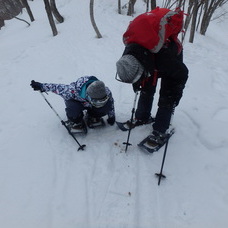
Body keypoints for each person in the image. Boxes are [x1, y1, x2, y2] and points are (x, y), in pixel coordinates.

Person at [116, 7, 188, 148]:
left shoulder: (165, 60)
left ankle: (160, 129)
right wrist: (137, 82)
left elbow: (182, 74)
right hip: (149, 52)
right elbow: (133, 70)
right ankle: (142, 117)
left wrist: (176, 94)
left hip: (169, 52)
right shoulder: (129, 51)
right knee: (145, 86)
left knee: (168, 95)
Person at [30, 76, 115, 133]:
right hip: (76, 101)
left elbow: (110, 104)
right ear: (88, 96)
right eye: (97, 101)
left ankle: (93, 116)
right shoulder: (72, 91)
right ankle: (76, 121)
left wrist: (111, 116)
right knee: (73, 110)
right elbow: (57, 87)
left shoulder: (106, 92)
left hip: (89, 104)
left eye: (101, 101)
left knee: (105, 106)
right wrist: (41, 86)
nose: (99, 103)